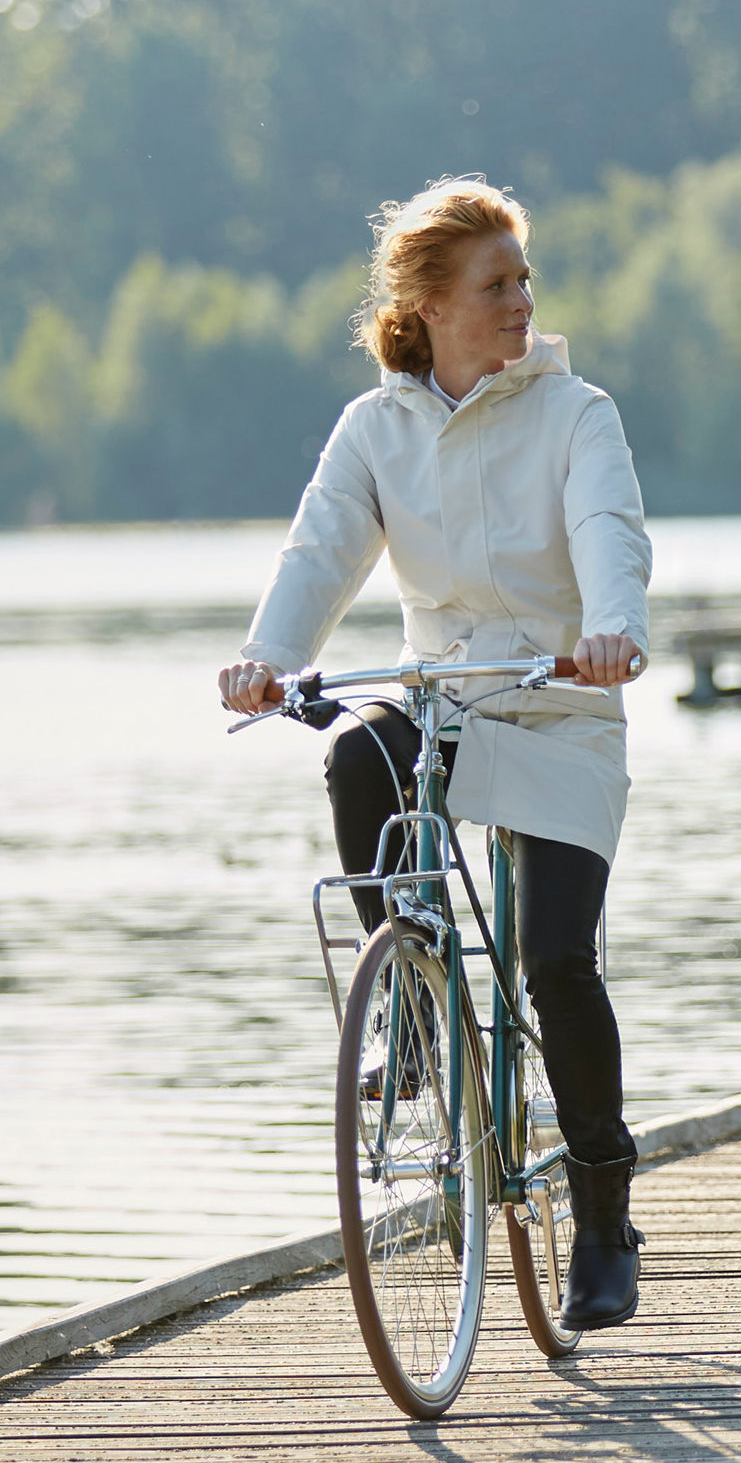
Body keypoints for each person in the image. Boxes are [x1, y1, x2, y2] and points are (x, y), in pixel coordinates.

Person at [219, 177, 654, 1331]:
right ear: (429, 305)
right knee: (357, 755)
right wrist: (268, 658)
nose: (521, 301)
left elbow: (608, 530)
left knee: (554, 959)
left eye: (523, 279)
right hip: (448, 703)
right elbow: (320, 548)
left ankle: (603, 1216)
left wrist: (613, 632)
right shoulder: (375, 430)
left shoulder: (576, 415)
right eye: (495, 284)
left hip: (560, 706)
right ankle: (411, 1013)